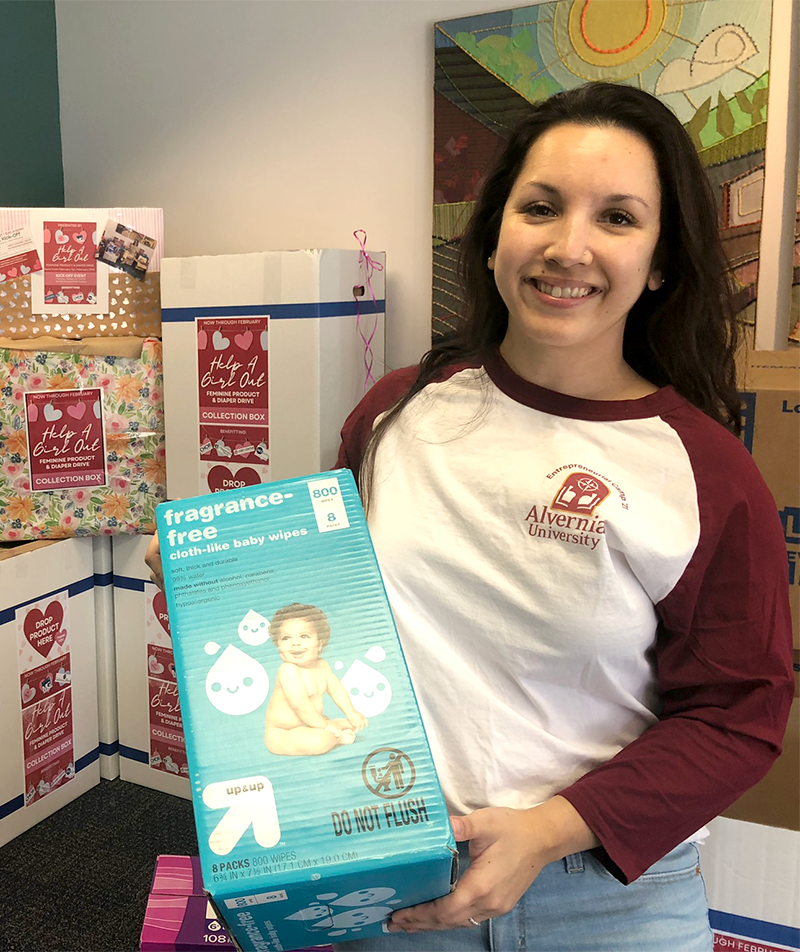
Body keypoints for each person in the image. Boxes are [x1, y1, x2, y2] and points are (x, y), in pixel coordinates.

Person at [147, 82, 794, 951]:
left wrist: (552, 828)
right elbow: (332, 596)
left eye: (617, 218)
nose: (570, 247)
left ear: (660, 259)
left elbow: (735, 715)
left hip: (602, 897)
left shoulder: (708, 471)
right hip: (392, 878)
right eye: (541, 207)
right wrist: (216, 577)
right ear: (494, 236)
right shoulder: (398, 410)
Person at [264, 602, 368, 756]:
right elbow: (301, 705)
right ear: (277, 643)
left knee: (350, 724)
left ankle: (335, 727)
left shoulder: (322, 665)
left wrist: (351, 712)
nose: (295, 643)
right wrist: (324, 726)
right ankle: (335, 735)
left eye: (304, 636)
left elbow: (336, 689)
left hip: (312, 723)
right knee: (318, 742)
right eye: (286, 638)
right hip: (283, 733)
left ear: (319, 643)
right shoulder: (288, 671)